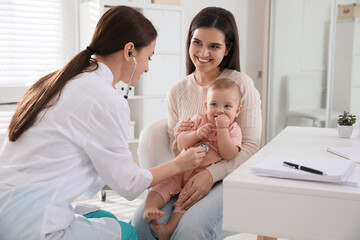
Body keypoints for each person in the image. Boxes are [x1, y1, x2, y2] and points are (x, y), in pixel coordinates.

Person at [0, 6, 207, 240]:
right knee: (129, 232)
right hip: (32, 224)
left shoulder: (57, 81)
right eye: (148, 57)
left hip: (7, 208)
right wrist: (180, 164)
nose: (148, 67)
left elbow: (80, 162)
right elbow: (129, 185)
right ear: (130, 51)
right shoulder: (106, 99)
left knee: (101, 214)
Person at [131, 6, 262, 240]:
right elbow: (175, 147)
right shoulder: (178, 90)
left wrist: (211, 174)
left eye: (214, 46)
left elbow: (251, 149)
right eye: (197, 42)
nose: (203, 52)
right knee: (141, 225)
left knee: (190, 230)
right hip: (186, 173)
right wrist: (181, 138)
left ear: (228, 48)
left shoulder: (240, 85)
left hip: (227, 179)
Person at [143, 78, 243, 240]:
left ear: (237, 111)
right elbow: (181, 142)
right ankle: (150, 208)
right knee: (160, 186)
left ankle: (168, 230)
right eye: (214, 105)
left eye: (227, 106)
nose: (220, 111)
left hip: (199, 178)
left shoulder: (233, 129)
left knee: (185, 203)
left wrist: (222, 129)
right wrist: (196, 134)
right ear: (206, 106)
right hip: (181, 169)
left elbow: (229, 154)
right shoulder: (198, 119)